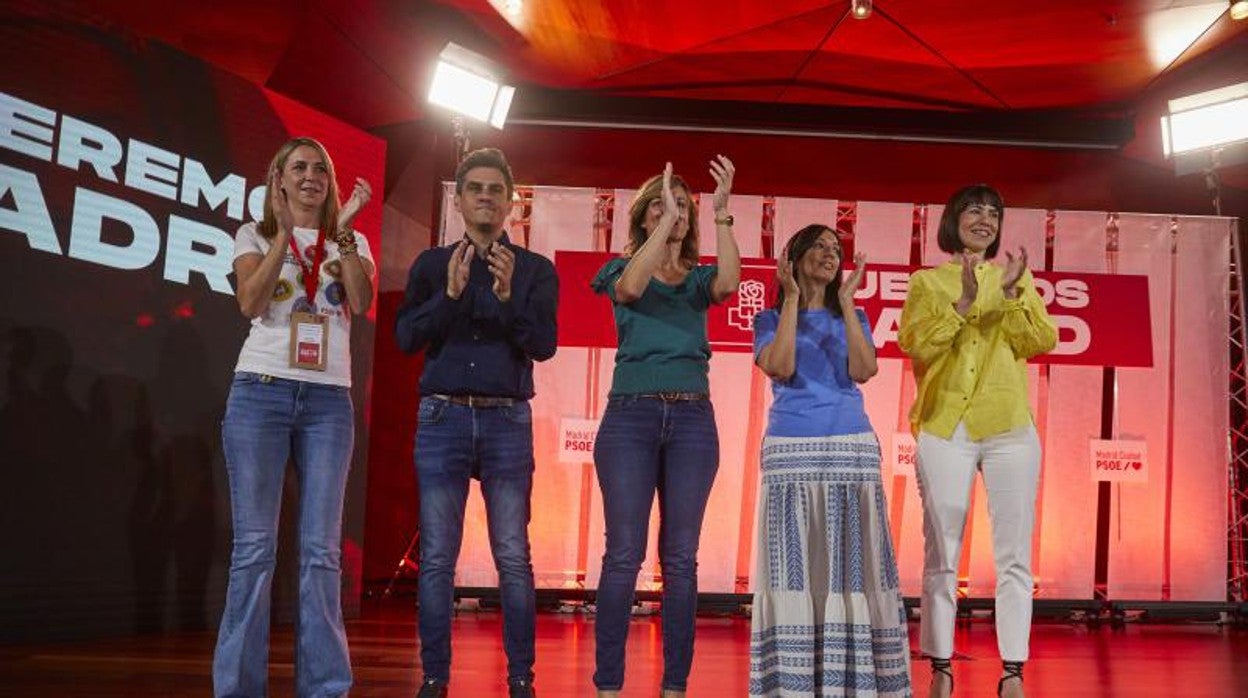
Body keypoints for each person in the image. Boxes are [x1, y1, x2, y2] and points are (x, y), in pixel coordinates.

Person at [395, 147, 558, 698]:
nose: (486, 196)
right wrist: (450, 295)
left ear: (511, 201)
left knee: (512, 554)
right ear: (460, 199)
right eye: (476, 188)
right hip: (441, 414)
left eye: (496, 189)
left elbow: (544, 345)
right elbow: (406, 338)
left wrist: (510, 300)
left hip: (506, 420)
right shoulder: (430, 265)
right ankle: (435, 677)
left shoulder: (535, 269)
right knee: (438, 556)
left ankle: (520, 679)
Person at [214, 137, 374, 697]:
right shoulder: (251, 235)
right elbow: (251, 302)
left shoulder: (350, 240)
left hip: (328, 402)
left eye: (321, 169)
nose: (312, 176)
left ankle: (325, 688)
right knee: (255, 548)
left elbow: (361, 298)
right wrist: (284, 234)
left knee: (320, 551)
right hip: (260, 392)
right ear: (277, 178)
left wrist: (345, 234)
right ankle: (237, 689)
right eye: (299, 167)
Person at [898, 184, 1056, 698]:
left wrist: (1010, 297)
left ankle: (1013, 668)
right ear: (954, 220)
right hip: (947, 426)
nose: (985, 219)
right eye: (974, 210)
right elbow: (914, 343)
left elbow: (1040, 341)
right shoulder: (927, 282)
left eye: (994, 213)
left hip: (1008, 424)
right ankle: (939, 662)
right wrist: (964, 302)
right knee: (941, 548)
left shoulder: (1017, 276)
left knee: (1014, 552)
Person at [589, 157, 740, 698]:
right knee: (623, 554)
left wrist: (721, 213)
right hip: (631, 414)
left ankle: (674, 685)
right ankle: (608, 685)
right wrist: (660, 226)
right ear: (643, 216)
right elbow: (631, 289)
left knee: (680, 559)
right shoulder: (617, 267)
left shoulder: (697, 280)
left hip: (693, 418)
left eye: (681, 205)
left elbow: (728, 283)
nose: (673, 208)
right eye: (660, 201)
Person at [750, 225, 912, 697]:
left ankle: (854, 681)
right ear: (794, 258)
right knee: (794, 569)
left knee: (853, 569)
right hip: (790, 453)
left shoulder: (853, 314)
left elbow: (863, 371)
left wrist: (846, 301)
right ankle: (796, 684)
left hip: (851, 449)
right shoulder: (769, 318)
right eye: (819, 246)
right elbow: (779, 366)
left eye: (835, 249)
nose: (829, 253)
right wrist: (793, 300)